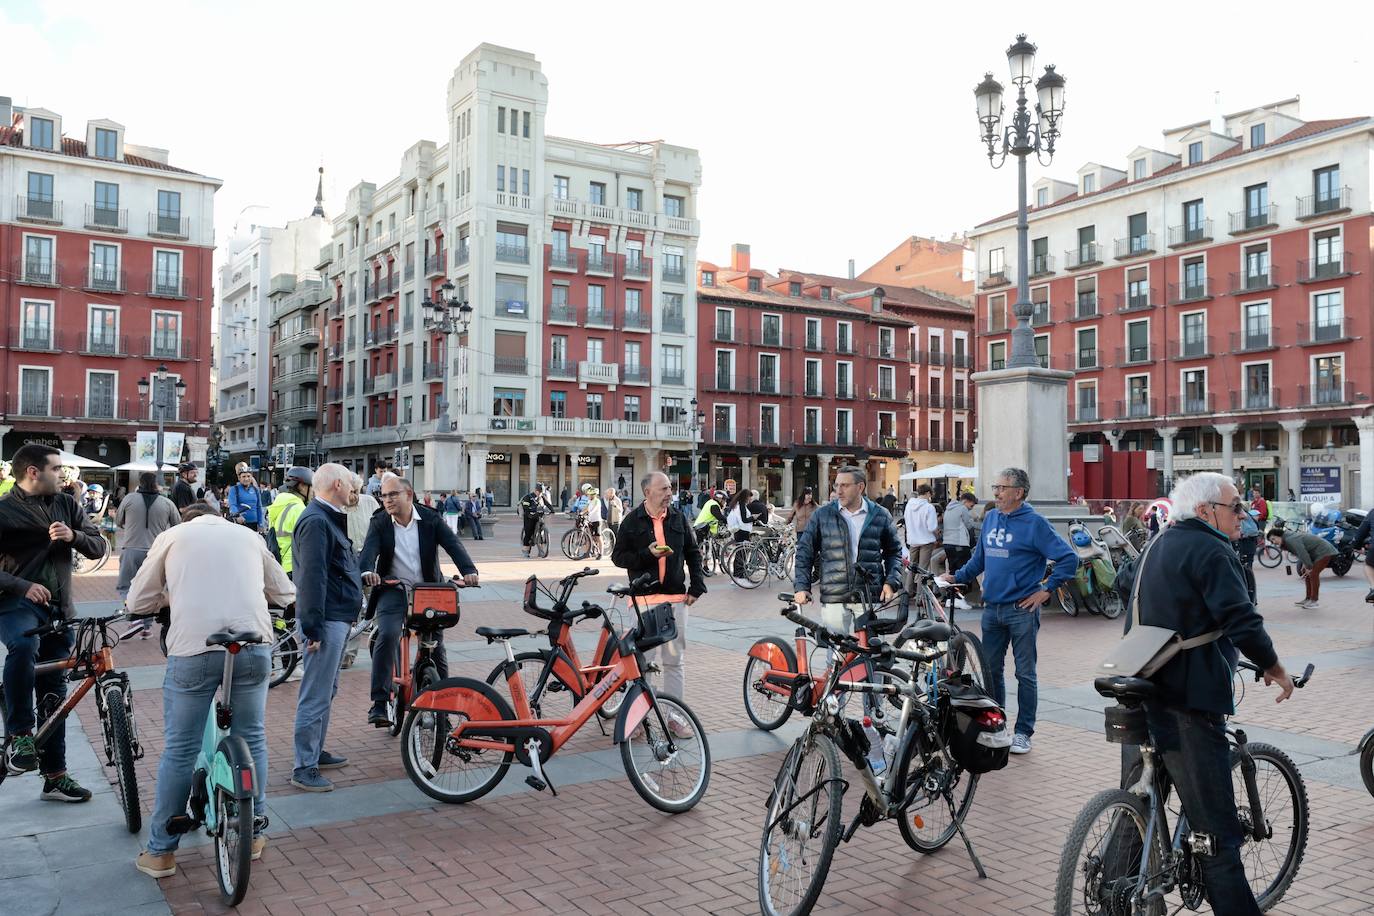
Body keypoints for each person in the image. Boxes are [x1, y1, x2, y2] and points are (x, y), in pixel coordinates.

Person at [1116, 472, 1294, 914]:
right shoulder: (1212, 550)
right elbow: (1242, 619)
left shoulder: (1157, 543)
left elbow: (1124, 586)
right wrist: (1274, 668)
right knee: (1217, 836)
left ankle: (1112, 891)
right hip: (1188, 700)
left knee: (1138, 805)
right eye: (1236, 507)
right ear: (1205, 512)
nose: (1245, 515)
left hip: (1138, 686)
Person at [128, 502, 295, 878]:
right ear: (220, 517)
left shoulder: (172, 537)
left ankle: (161, 852)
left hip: (194, 649)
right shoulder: (249, 536)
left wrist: (169, 598)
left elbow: (136, 601)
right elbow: (284, 594)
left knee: (180, 748)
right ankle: (253, 833)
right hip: (252, 647)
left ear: (185, 518)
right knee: (252, 736)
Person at [939, 467, 1077, 756]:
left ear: (1019, 492)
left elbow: (1068, 558)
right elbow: (980, 558)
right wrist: (958, 577)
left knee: (1025, 674)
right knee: (991, 672)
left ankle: (1024, 732)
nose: (996, 493)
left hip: (1022, 611)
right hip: (992, 610)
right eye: (996, 487)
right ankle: (997, 724)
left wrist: (1046, 590)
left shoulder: (1035, 524)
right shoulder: (990, 518)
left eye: (1002, 488)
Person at [0, 444, 106, 800]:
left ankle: (55, 776)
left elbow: (98, 545)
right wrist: (22, 585)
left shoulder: (66, 504)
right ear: (33, 471)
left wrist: (74, 536)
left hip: (61, 608)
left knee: (54, 692)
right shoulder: (4, 511)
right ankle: (20, 734)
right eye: (57, 468)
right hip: (14, 605)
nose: (63, 475)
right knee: (23, 646)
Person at [360, 476, 479, 726]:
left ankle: (443, 709)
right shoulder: (380, 521)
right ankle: (379, 703)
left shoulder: (430, 519)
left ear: (409, 494)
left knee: (436, 647)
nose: (387, 500)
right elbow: (369, 552)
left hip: (428, 590)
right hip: (393, 588)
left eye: (393, 494)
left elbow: (453, 544)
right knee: (389, 633)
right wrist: (367, 571)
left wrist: (469, 570)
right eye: (384, 496)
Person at [611, 471, 705, 734]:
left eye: (670, 488)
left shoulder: (678, 518)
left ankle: (676, 718)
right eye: (663, 489)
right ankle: (640, 719)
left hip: (675, 600)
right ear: (647, 492)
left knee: (675, 661)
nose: (669, 493)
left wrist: (697, 587)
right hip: (644, 601)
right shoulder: (631, 520)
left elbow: (693, 553)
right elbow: (618, 557)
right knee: (644, 663)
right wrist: (645, 554)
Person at [289, 463, 363, 792]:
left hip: (336, 617)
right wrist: (313, 628)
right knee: (316, 694)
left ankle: (315, 753)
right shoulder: (318, 521)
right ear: (336, 484)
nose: (353, 490)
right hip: (326, 620)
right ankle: (304, 766)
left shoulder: (324, 518)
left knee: (326, 690)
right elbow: (311, 579)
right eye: (349, 484)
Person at [792, 466, 903, 635]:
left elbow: (893, 552)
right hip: (835, 595)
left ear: (860, 487)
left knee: (871, 654)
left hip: (869, 595)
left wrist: (891, 582)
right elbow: (805, 552)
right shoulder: (822, 515)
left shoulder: (881, 515)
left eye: (845, 485)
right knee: (838, 654)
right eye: (837, 485)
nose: (838, 491)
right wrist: (801, 586)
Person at [115, 471, 180, 609]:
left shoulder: (128, 499)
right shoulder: (167, 503)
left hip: (131, 549)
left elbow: (118, 521)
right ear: (157, 484)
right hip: (156, 552)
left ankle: (130, 612)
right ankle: (146, 624)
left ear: (140, 483)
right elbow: (177, 526)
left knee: (125, 586)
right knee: (153, 590)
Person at [1266, 524, 1336, 609]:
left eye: (1274, 539)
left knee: (1313, 574)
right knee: (1306, 573)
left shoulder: (1290, 539)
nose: (1273, 542)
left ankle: (1314, 601)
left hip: (1324, 551)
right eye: (1271, 541)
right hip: (1315, 553)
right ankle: (1308, 599)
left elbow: (1302, 552)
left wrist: (1308, 566)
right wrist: (1305, 565)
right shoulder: (1287, 539)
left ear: (1279, 535)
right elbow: (1302, 553)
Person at [265, 467, 312, 578]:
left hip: (281, 565)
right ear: (302, 486)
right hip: (295, 566)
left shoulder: (281, 505)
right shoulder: (299, 509)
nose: (313, 491)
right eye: (312, 486)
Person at [941, 491, 978, 607]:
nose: (970, 509)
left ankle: (950, 599)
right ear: (965, 501)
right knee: (963, 571)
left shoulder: (948, 509)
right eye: (971, 506)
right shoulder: (962, 509)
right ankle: (960, 598)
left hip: (947, 543)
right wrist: (975, 520)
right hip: (959, 543)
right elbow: (969, 525)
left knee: (952, 571)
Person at [903, 483, 940, 572]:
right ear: (927, 493)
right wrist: (937, 535)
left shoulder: (909, 505)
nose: (930, 497)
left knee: (911, 568)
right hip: (926, 541)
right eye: (930, 495)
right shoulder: (929, 507)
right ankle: (920, 586)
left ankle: (908, 586)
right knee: (923, 570)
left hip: (912, 540)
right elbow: (932, 527)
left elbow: (905, 519)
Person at [518, 483, 553, 557]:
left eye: (541, 492)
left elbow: (547, 504)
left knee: (541, 531)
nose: (540, 494)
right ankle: (526, 550)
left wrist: (552, 510)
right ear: (536, 490)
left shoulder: (542, 497)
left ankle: (541, 551)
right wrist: (531, 512)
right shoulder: (528, 497)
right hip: (529, 516)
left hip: (538, 516)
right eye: (539, 492)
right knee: (529, 532)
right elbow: (525, 507)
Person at [1236, 508, 1261, 605]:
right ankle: (1251, 599)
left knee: (1246, 571)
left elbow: (1250, 531)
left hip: (1247, 545)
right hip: (1248, 545)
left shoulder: (1244, 515)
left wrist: (1242, 534)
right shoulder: (1247, 515)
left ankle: (1250, 599)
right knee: (1247, 570)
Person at [584, 486, 604, 557]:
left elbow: (595, 509)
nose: (588, 496)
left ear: (593, 495)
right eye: (588, 495)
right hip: (590, 521)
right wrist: (581, 513)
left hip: (597, 520)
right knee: (589, 537)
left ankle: (601, 553)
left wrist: (589, 513)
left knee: (598, 537)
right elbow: (586, 508)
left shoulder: (597, 501)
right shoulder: (589, 501)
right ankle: (588, 553)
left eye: (589, 495)